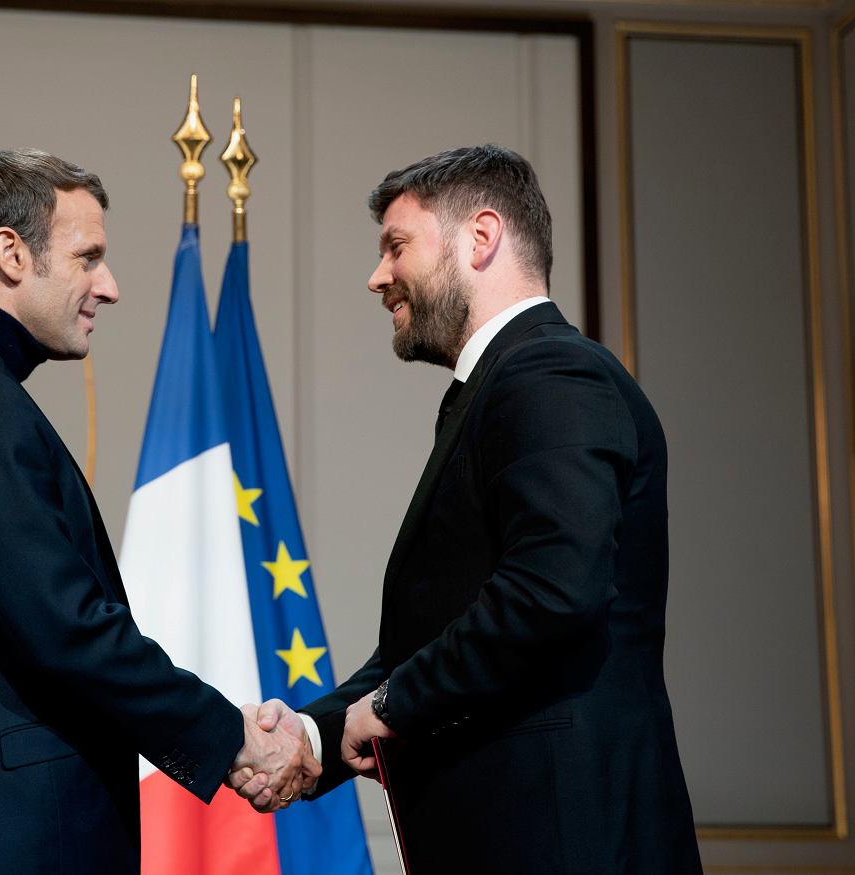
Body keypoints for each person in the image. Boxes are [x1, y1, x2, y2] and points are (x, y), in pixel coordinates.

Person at [234, 145, 702, 872]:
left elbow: (551, 594)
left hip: (565, 841)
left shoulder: (552, 373)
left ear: (481, 238)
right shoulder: (504, 385)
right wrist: (316, 735)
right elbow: (439, 632)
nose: (377, 276)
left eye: (396, 246)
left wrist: (386, 709)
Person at [0, 150, 313, 874]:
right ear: (10, 253)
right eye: (87, 257)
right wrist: (233, 737)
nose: (110, 286)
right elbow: (65, 628)